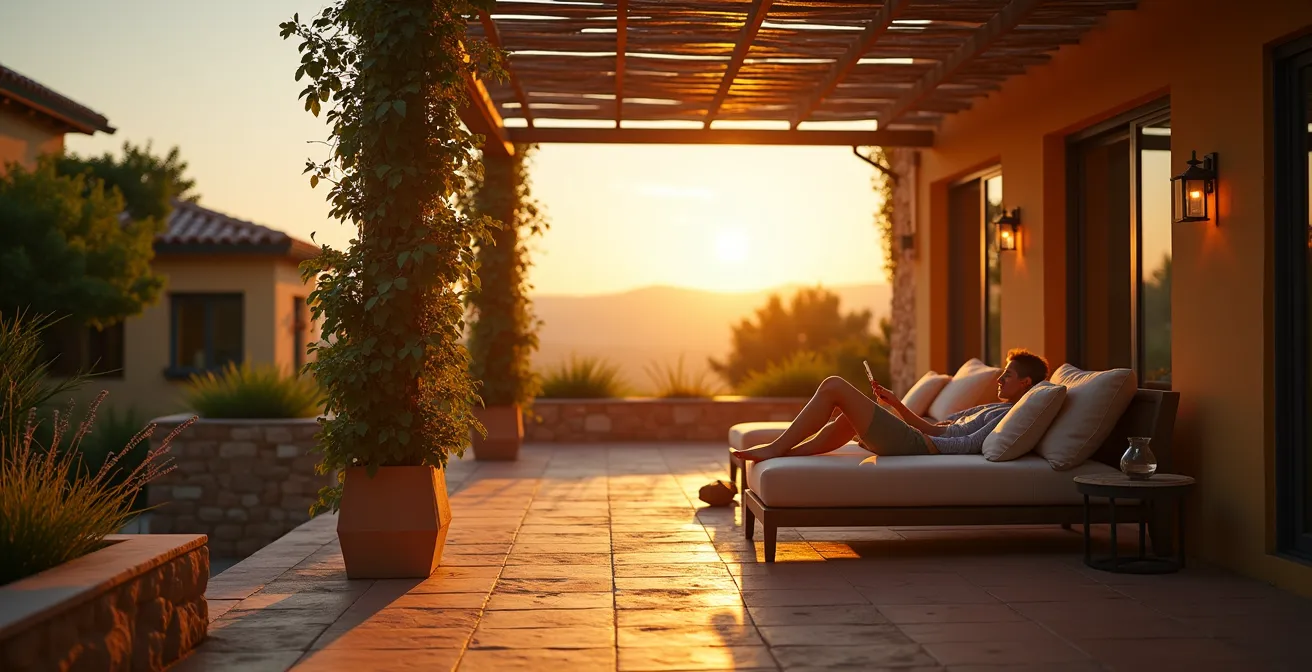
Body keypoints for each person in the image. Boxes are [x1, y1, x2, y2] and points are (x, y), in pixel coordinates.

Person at [730, 349, 1049, 461]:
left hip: (918, 445)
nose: (1000, 379)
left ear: (1025, 383)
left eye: (1007, 375)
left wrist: (923, 435)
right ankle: (786, 454)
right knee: (847, 418)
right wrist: (895, 405)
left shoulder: (1009, 415)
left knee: (834, 386)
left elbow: (966, 443)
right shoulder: (991, 408)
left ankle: (776, 448)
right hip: (919, 438)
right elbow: (941, 427)